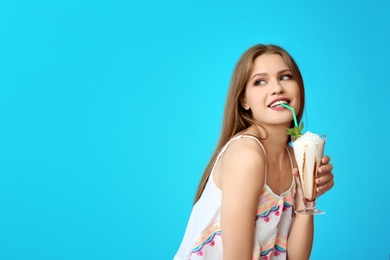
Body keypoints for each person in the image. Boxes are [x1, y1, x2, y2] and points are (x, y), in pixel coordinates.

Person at [174, 44, 335, 260]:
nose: (277, 88)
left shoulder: (295, 159)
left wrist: (308, 198)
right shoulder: (247, 154)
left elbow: (296, 257)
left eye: (285, 77)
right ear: (244, 101)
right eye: (260, 81)